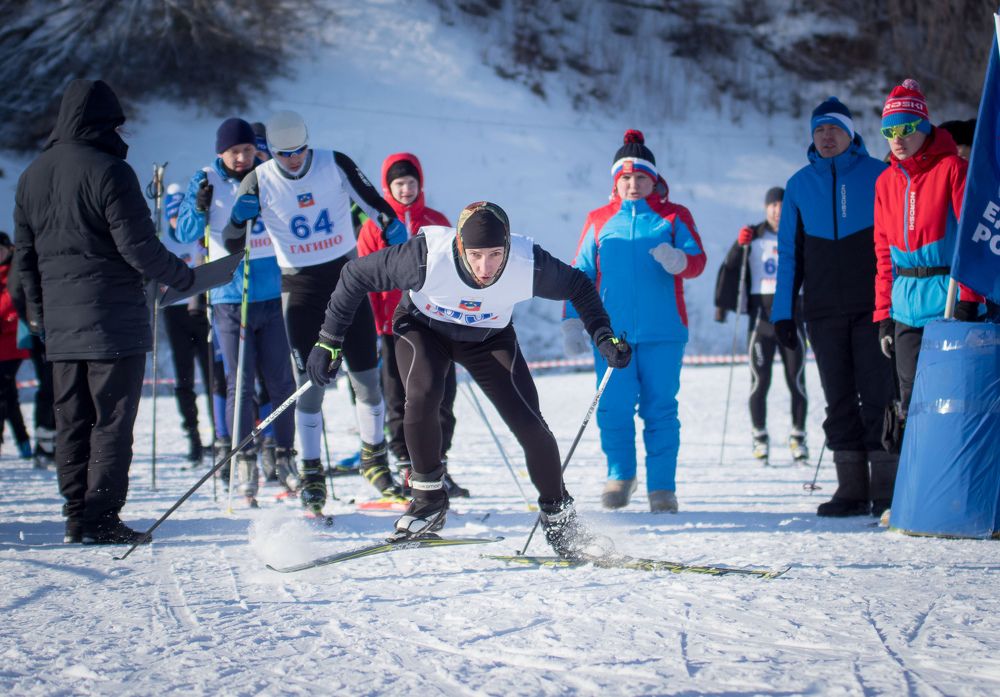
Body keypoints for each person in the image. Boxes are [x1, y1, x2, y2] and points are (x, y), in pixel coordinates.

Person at [307, 201, 631, 555]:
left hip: (488, 338)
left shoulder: (529, 263)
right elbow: (355, 275)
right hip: (423, 329)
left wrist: (603, 336)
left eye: (495, 254)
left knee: (531, 425)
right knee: (423, 395)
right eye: (476, 255)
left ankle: (559, 518)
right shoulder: (426, 256)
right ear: (460, 247)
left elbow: (580, 287)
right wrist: (329, 341)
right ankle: (428, 502)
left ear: (507, 246)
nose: (486, 267)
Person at [13, 79, 195, 544]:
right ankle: (102, 517)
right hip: (114, 322)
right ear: (104, 123)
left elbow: (24, 258)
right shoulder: (111, 172)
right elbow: (138, 248)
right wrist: (186, 276)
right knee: (112, 423)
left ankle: (77, 513)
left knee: (72, 420)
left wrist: (38, 316)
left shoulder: (31, 175)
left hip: (60, 327)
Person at [224, 110, 409, 516]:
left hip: (348, 278)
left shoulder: (333, 161)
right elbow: (229, 238)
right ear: (268, 151)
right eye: (283, 153)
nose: (293, 159)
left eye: (299, 150)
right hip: (300, 290)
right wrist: (238, 217)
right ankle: (311, 473)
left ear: (309, 143)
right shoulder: (259, 178)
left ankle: (374, 462)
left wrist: (392, 224)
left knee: (366, 379)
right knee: (310, 385)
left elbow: (376, 204)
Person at [563, 130, 706, 513]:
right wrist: (572, 321)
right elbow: (580, 274)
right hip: (611, 334)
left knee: (660, 409)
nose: (633, 184)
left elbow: (697, 260)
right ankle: (620, 476)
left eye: (640, 177)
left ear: (653, 180)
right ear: (616, 181)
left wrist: (679, 260)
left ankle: (662, 488)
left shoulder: (674, 216)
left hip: (664, 331)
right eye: (625, 178)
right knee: (612, 408)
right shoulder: (598, 220)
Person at [771, 96, 897, 518]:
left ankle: (886, 487)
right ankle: (851, 489)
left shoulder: (881, 176)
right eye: (819, 130)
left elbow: (895, 245)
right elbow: (789, 253)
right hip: (823, 311)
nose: (827, 137)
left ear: (850, 133)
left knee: (879, 395)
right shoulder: (798, 185)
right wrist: (782, 312)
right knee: (838, 397)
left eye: (834, 129)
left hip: (874, 308)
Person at [175, 117, 298, 507]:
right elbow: (185, 234)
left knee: (281, 380)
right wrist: (199, 206)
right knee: (238, 381)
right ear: (221, 153)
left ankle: (284, 455)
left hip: (270, 291)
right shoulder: (206, 178)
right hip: (229, 295)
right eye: (235, 152)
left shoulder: (267, 174)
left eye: (247, 150)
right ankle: (243, 457)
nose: (243, 157)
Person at [873, 80, 980, 476]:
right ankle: (918, 484)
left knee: (951, 400)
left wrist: (969, 298)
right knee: (910, 400)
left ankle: (955, 483)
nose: (897, 139)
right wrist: (884, 313)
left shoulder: (954, 169)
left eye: (905, 128)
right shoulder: (885, 180)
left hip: (948, 298)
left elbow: (971, 240)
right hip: (905, 304)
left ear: (923, 126)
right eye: (889, 131)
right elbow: (883, 254)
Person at [356, 152, 467, 497]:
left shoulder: (436, 220)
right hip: (393, 327)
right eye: (398, 183)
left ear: (420, 184)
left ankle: (438, 463)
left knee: (442, 393)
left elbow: (455, 266)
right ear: (388, 187)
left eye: (411, 182)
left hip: (436, 322)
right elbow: (364, 276)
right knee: (399, 397)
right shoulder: (374, 225)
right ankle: (406, 464)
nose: (405, 189)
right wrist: (375, 325)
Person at [714, 187, 808, 463]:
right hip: (761, 320)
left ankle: (798, 437)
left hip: (792, 316)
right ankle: (759, 437)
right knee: (760, 381)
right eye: (773, 205)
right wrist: (737, 245)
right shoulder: (753, 236)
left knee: (797, 380)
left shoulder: (797, 235)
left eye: (781, 204)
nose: (777, 210)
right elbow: (730, 268)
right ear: (766, 208)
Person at [159, 183, 211, 464]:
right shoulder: (161, 240)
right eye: (173, 216)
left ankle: (221, 436)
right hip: (174, 312)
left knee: (214, 377)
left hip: (201, 309)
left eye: (181, 215)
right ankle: (193, 437)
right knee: (184, 380)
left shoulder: (197, 235)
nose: (177, 222)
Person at [6, 240, 56, 468]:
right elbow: (16, 289)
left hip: (47, 328)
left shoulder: (29, 241)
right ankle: (46, 445)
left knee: (52, 389)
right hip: (45, 331)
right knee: (52, 388)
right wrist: (34, 320)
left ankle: (52, 445)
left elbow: (16, 289)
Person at [0, 232, 31, 459]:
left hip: (11, 347)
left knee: (3, 394)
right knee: (9, 396)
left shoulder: (15, 274)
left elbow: (15, 307)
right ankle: (23, 442)